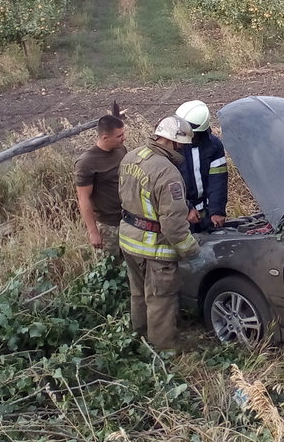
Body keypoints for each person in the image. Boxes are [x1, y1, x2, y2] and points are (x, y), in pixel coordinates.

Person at [118, 115, 201, 352]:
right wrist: (191, 251)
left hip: (129, 240)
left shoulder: (131, 157)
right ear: (174, 142)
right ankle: (163, 351)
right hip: (153, 248)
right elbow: (173, 224)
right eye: (181, 145)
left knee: (138, 294)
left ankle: (140, 339)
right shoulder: (167, 173)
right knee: (160, 300)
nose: (182, 150)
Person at [74, 113, 127, 258]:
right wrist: (93, 232)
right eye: (119, 136)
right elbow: (83, 198)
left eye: (123, 133)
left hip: (127, 220)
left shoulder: (121, 150)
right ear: (105, 138)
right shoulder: (86, 163)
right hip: (108, 225)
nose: (124, 138)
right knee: (111, 266)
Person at [174, 100, 229, 231]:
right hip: (178, 214)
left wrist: (216, 210)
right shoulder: (173, 146)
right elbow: (168, 184)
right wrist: (187, 208)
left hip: (204, 215)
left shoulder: (214, 146)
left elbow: (218, 180)